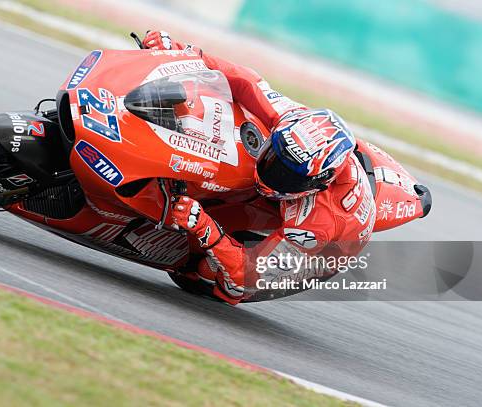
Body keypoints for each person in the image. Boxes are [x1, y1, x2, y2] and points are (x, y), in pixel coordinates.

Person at [142, 31, 376, 305]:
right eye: (275, 157)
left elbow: (247, 278)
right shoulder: (292, 120)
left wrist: (204, 227)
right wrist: (183, 52)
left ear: (318, 184)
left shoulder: (317, 224)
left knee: (216, 279)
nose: (272, 173)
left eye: (287, 176)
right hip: (317, 173)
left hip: (325, 249)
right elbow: (245, 81)